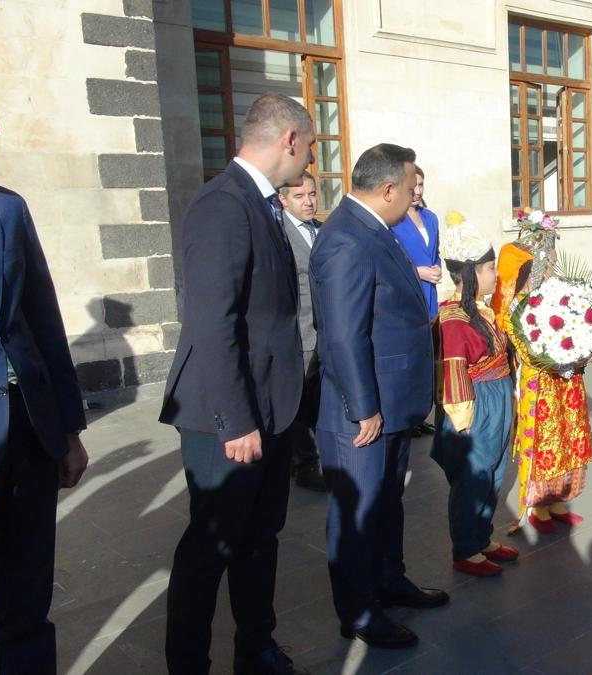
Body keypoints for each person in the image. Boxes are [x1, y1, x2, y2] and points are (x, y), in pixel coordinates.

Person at [159, 93, 314, 675]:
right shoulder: (223, 203)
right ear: (290, 140)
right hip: (226, 417)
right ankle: (188, 664)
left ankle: (255, 646)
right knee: (212, 547)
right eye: (310, 146)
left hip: (269, 406)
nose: (310, 160)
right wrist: (237, 420)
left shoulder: (263, 202)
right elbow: (211, 321)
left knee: (260, 536)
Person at [0, 50, 89, 675]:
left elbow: (42, 324)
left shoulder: (4, 206)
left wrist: (68, 430)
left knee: (28, 610)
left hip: (28, 445)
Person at [311, 143, 447, 650]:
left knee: (388, 501)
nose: (416, 196)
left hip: (391, 402)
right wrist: (364, 406)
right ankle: (360, 612)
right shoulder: (346, 237)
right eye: (411, 188)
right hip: (363, 409)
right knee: (359, 512)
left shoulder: (374, 227)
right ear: (388, 188)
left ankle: (389, 580)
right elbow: (343, 334)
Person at [491, 214, 592, 533]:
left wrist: (583, 346)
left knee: (568, 437)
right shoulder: (516, 304)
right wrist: (555, 358)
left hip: (568, 380)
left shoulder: (556, 293)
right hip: (540, 380)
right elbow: (522, 343)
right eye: (543, 257)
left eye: (550, 256)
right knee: (546, 439)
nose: (548, 263)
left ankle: (558, 498)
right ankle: (537, 505)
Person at [430, 214, 518, 577]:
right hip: (475, 405)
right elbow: (453, 372)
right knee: (473, 477)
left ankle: (482, 538)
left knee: (493, 472)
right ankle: (466, 549)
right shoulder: (454, 318)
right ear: (470, 273)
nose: (495, 275)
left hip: (496, 397)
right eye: (490, 269)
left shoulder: (481, 310)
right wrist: (462, 425)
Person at [279, 172, 326, 492]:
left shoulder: (321, 230)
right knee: (298, 401)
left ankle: (317, 457)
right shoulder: (279, 235)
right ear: (283, 200)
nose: (308, 202)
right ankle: (304, 462)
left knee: (318, 398)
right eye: (299, 196)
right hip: (300, 332)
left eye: (312, 194)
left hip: (325, 331)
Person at [391, 165, 441, 437]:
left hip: (430, 293)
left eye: (421, 185)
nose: (418, 191)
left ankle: (421, 413)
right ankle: (406, 417)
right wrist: (417, 272)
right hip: (408, 293)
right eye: (413, 186)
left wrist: (437, 268)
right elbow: (390, 261)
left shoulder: (430, 218)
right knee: (409, 356)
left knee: (426, 356)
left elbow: (436, 252)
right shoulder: (394, 221)